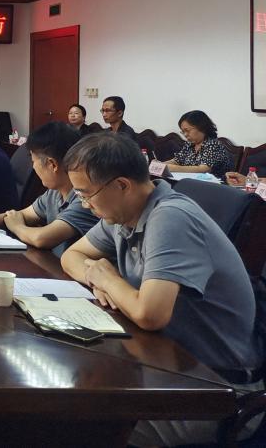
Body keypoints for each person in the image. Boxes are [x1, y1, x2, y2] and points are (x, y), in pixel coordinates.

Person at [60, 132, 262, 446]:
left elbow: (150, 314)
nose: (85, 205)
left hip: (216, 389)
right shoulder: (123, 213)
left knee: (77, 426)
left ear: (122, 185)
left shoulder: (170, 218)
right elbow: (71, 256)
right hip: (164, 364)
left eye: (87, 195)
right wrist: (98, 277)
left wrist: (109, 279)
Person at [0, 122, 97, 256]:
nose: (34, 167)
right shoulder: (54, 192)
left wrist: (17, 227)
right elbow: (25, 215)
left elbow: (42, 238)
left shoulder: (84, 199)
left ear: (52, 164)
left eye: (34, 161)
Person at [163, 110, 232, 177]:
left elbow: (203, 169)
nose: (185, 135)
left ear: (201, 127)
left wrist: (173, 168)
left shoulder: (213, 144)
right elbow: (177, 160)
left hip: (212, 183)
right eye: (183, 132)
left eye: (187, 130)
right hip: (191, 181)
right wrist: (161, 165)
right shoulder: (189, 144)